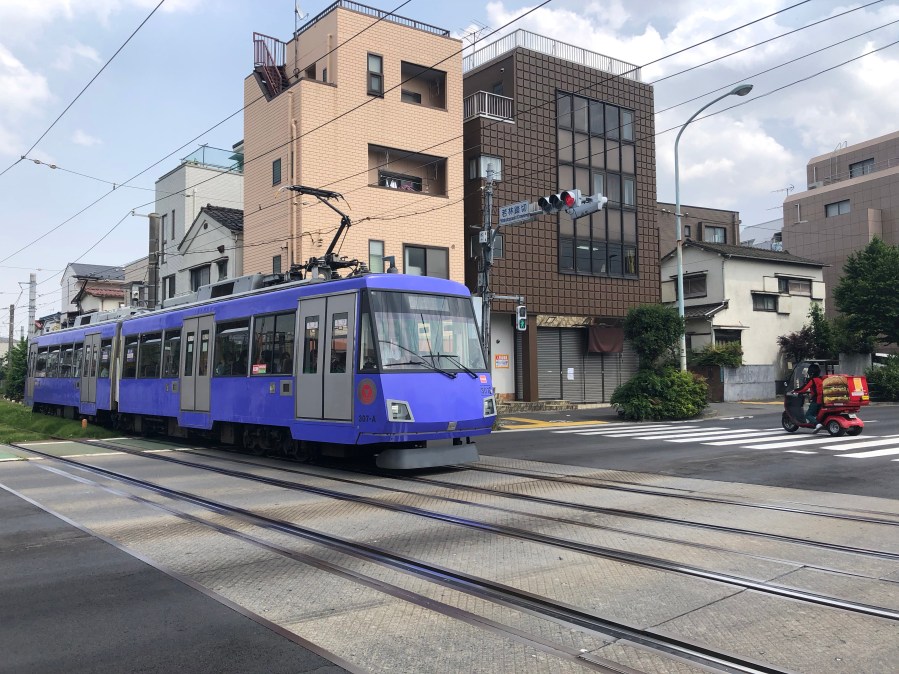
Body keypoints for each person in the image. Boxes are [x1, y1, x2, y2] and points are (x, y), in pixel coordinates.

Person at [795, 363, 824, 431]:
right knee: (816, 413)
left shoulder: (812, 380)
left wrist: (795, 391)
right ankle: (814, 423)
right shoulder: (821, 379)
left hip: (816, 400)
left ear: (811, 373)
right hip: (822, 400)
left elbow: (804, 388)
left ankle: (817, 424)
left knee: (808, 415)